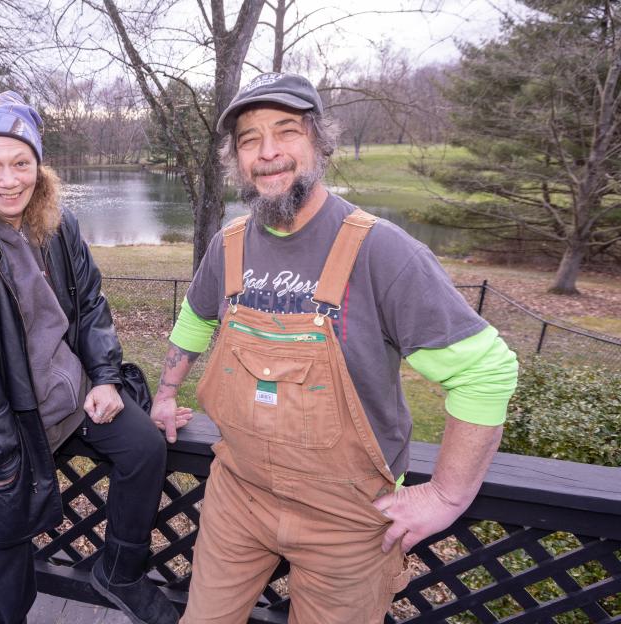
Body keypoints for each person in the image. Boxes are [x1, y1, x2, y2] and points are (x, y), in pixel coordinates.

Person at [150, 73, 519, 623]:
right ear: (236, 159)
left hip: (348, 516)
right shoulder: (227, 246)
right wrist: (166, 390)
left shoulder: (382, 250)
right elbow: (197, 317)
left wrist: (446, 496)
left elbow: (486, 372)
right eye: (249, 139)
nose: (268, 151)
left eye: (286, 131)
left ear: (320, 141)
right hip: (238, 496)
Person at [0, 91, 179, 624]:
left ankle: (120, 570)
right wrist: (3, 454)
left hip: (73, 397)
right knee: (6, 540)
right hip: (8, 420)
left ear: (38, 165)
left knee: (145, 448)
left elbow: (91, 305)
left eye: (20, 163)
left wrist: (103, 377)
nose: (7, 180)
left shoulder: (56, 222)